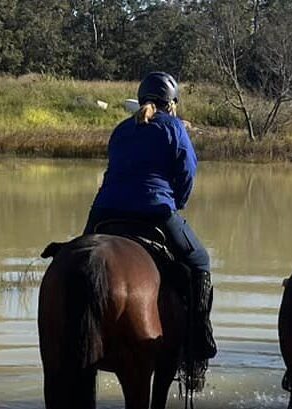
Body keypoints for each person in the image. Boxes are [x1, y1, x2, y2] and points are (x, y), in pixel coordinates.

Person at [82, 71, 217, 364]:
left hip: (105, 209)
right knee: (200, 261)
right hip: (154, 210)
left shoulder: (121, 129)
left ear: (141, 99)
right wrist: (175, 202)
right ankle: (199, 336)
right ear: (172, 103)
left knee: (81, 255)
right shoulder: (174, 128)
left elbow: (114, 170)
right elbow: (187, 172)